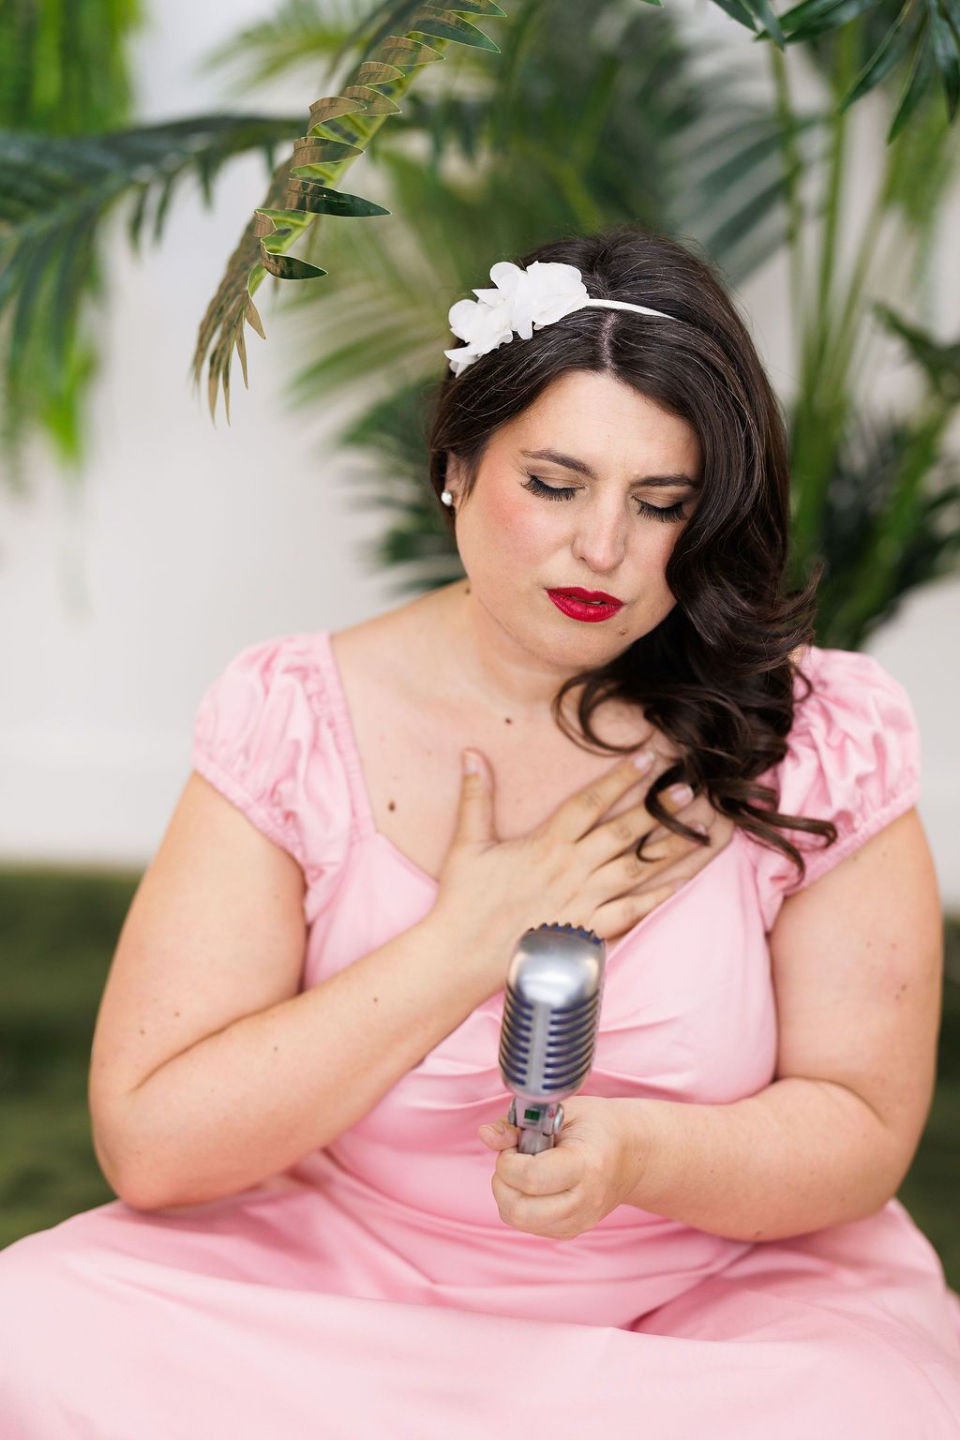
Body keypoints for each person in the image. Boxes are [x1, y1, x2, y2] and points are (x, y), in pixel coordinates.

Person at [1, 221, 959, 1437]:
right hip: (344, 1284)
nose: (603, 549)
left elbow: (863, 1130)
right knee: (28, 1327)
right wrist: (465, 942)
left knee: (867, 1410)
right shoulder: (294, 716)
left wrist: (640, 1158)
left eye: (661, 504)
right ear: (457, 462)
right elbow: (153, 1146)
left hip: (716, 1305)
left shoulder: (818, 733)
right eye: (554, 485)